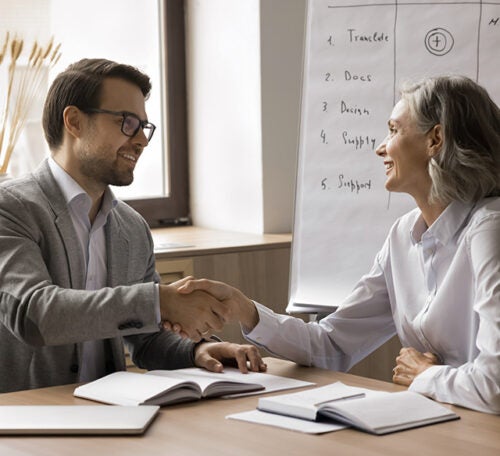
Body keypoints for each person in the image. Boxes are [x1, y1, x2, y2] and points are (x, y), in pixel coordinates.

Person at [170, 75, 500, 414]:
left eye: (394, 130)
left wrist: (426, 375)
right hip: (439, 422)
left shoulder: (490, 229)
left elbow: (495, 387)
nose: (381, 147)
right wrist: (245, 310)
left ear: (436, 139)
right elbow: (332, 345)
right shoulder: (403, 236)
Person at [0, 58, 265, 393]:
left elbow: (146, 338)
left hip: (110, 416)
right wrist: (158, 301)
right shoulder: (10, 207)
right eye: (127, 122)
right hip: (26, 422)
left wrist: (197, 350)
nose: (141, 140)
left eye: (144, 126)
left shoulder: (132, 227)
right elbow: (37, 315)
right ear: (75, 121)